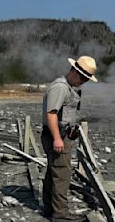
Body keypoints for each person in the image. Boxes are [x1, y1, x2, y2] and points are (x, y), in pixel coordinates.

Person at [41, 56, 97, 221]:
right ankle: (60, 215)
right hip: (56, 136)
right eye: (82, 77)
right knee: (62, 175)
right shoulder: (60, 87)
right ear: (74, 71)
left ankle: (49, 208)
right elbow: (51, 114)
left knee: (54, 172)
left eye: (86, 79)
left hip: (60, 134)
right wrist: (57, 138)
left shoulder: (68, 87)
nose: (83, 81)